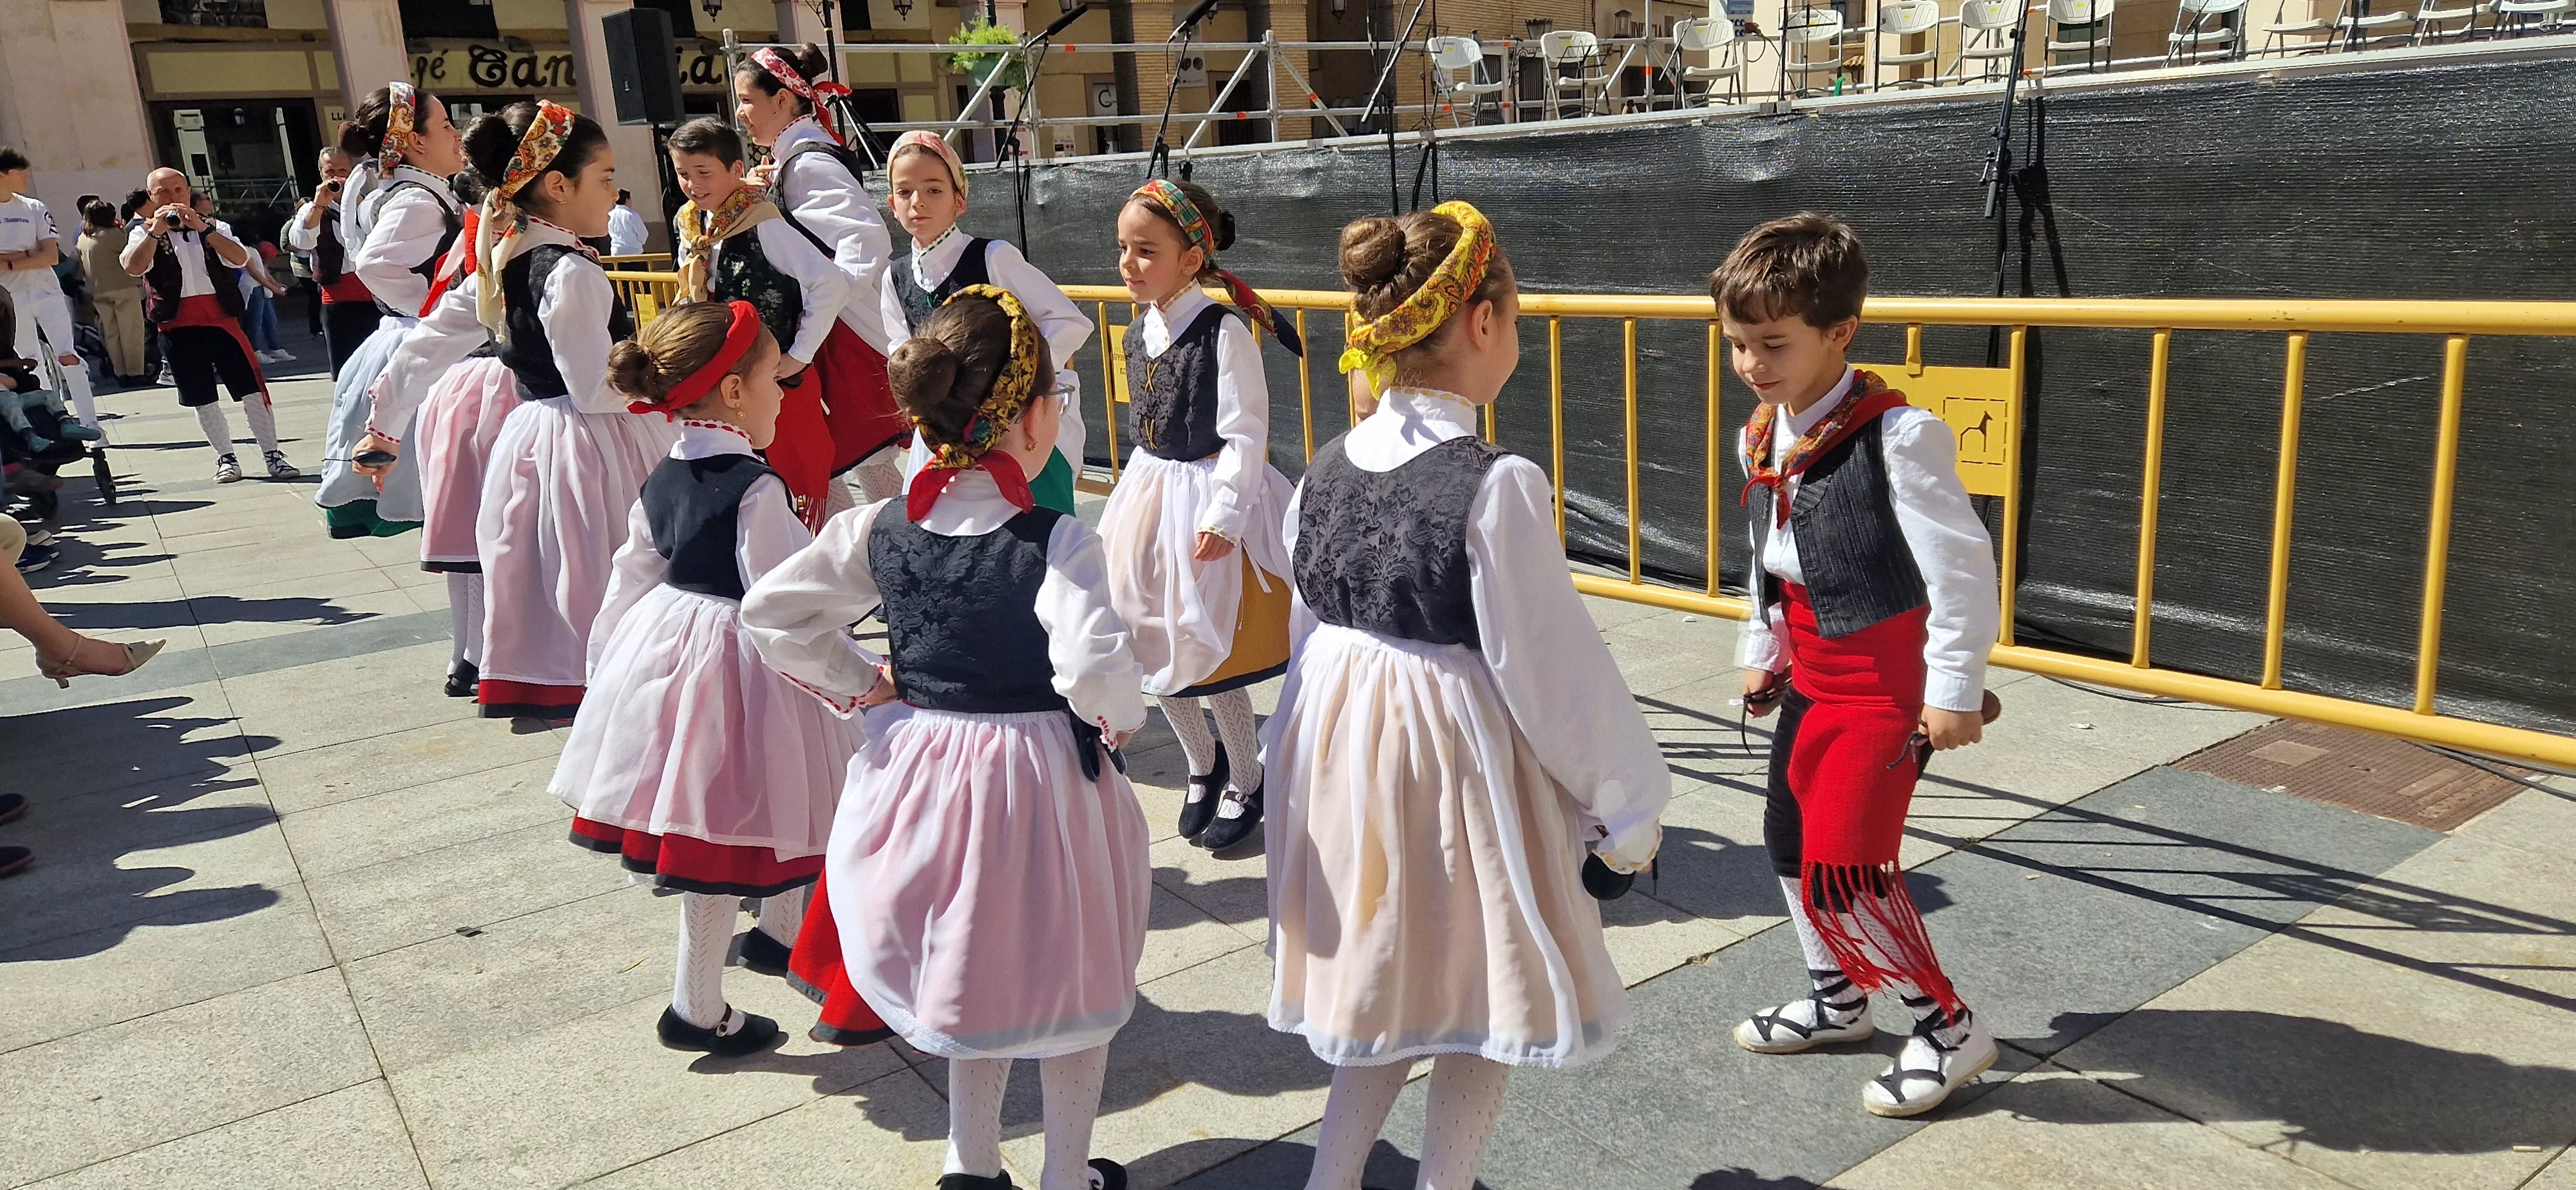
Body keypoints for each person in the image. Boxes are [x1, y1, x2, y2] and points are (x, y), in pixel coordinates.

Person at [1264, 203, 1668, 1190]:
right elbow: (1553, 670)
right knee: (1479, 991)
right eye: (1517, 316)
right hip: (1448, 767)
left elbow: (1308, 626)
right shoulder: (1495, 484)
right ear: (1481, 323)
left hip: (1341, 752)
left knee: (1388, 987)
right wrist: (1628, 811)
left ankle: (1333, 1180)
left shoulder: (1325, 466)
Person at [743, 287, 1150, 1190]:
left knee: (974, 964)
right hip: (1041, 777)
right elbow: (1095, 672)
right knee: (1068, 980)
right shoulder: (1058, 540)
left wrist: (865, 685)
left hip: (923, 765)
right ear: (1036, 417)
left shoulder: (878, 526)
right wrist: (1115, 725)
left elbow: (773, 615)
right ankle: (1066, 1172)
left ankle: (971, 1159)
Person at [1719, 212, 2002, 1117]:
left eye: (1773, 343)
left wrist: (1953, 693)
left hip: (1886, 688)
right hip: (1814, 674)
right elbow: (1766, 556)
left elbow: (1964, 568)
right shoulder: (1763, 431)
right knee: (1789, 845)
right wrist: (1762, 652)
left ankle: (1949, 1027)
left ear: (1840, 332)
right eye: (1737, 344)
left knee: (1850, 869)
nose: (1753, 364)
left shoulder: (1899, 436)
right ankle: (1840, 1001)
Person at [547, 300, 855, 1056]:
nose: (787, 388)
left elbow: (626, 583)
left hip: (667, 656)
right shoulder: (756, 486)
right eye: (775, 374)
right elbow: (786, 602)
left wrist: (605, 679)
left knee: (753, 818)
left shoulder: (665, 474)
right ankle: (695, 1004)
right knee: (734, 828)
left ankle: (776, 939)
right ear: (734, 393)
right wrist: (852, 677)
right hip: (742, 668)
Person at [359, 101, 674, 721]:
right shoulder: (571, 270)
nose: (613, 193)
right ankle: (614, 685)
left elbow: (428, 343)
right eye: (606, 178)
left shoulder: (504, 255)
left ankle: (558, 676)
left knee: (551, 567)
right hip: (591, 440)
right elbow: (595, 387)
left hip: (531, 434)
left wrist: (383, 425)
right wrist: (668, 380)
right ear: (559, 185)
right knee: (604, 562)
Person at [1099, 178, 1300, 857]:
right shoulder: (1138, 329)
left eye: (1145, 250)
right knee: (1150, 643)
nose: (1129, 263)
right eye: (1124, 248)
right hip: (1151, 493)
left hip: (1206, 495)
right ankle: (1201, 761)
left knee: (1209, 650)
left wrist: (1226, 512)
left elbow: (1246, 430)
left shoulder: (1223, 330)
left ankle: (1247, 777)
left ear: (1191, 259)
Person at [732, 43, 909, 510]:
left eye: (748, 99)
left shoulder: (807, 163)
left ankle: (879, 556)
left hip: (842, 335)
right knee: (849, 461)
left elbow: (865, 241)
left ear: (783, 100)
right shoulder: (798, 157)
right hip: (834, 331)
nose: (740, 112)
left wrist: (822, 304)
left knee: (850, 460)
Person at [878, 129, 1091, 515]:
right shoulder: (895, 277)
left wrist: (1018, 381)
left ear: (960, 200)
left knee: (1033, 525)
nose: (917, 203)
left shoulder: (991, 256)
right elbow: (900, 350)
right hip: (947, 431)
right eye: (905, 192)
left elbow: (1069, 322)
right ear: (891, 203)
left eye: (933, 190)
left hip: (1016, 424)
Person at [664, 117, 851, 529]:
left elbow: (830, 282)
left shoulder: (762, 223)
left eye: (703, 173)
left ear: (735, 169)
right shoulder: (693, 224)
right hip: (724, 381)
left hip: (777, 383)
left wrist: (800, 354)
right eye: (682, 173)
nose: (693, 184)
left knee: (797, 476)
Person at [314, 84, 469, 542]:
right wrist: (440, 309)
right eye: (444, 126)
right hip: (423, 344)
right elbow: (376, 263)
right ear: (416, 141)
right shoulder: (416, 199)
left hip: (406, 336)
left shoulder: (397, 190)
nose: (455, 134)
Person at [120, 169, 298, 483]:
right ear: (151, 198)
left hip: (222, 320)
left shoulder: (216, 227)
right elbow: (134, 267)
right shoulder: (141, 232)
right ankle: (226, 458)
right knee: (201, 396)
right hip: (177, 324)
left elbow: (241, 258)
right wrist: (155, 232)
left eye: (178, 190)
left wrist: (203, 229)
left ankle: (273, 454)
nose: (173, 198)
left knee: (251, 390)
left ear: (188, 191)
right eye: (163, 192)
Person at [0, 147, 98, 429]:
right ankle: (55, 421)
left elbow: (50, 256)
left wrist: (8, 261)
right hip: (10, 300)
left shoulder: (34, 207)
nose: (26, 179)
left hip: (46, 292)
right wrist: (28, 257)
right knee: (30, 361)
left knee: (68, 356)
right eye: (21, 173)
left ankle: (91, 424)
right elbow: (38, 255)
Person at [285, 147, 384, 375]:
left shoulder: (369, 204)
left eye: (343, 170)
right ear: (322, 174)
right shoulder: (311, 209)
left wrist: (356, 200)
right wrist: (320, 205)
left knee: (382, 372)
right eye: (331, 171)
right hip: (339, 302)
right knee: (347, 375)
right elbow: (301, 242)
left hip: (377, 298)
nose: (337, 176)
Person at [77, 202, 147, 386]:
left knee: (112, 333)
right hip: (123, 287)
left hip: (98, 290)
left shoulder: (83, 238)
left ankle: (120, 373)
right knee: (131, 331)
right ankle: (135, 372)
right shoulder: (114, 235)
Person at [238, 236, 290, 362]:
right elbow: (255, 273)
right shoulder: (242, 249)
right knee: (254, 323)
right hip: (252, 287)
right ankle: (254, 352)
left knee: (270, 320)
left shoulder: (252, 249)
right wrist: (274, 288)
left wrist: (275, 284)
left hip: (260, 287)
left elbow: (262, 270)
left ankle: (274, 348)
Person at [606, 188, 646, 256]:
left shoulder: (610, 215)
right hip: (634, 252)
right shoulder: (631, 215)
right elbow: (643, 234)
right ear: (627, 200)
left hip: (617, 253)